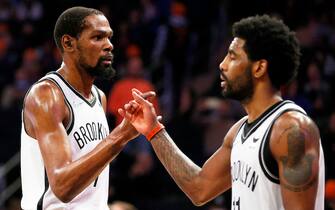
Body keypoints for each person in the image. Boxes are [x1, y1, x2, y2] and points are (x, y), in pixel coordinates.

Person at [119, 15, 325, 210]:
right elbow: (199, 188)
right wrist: (154, 131)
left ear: (259, 68)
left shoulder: (291, 130)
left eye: (233, 57)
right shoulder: (239, 131)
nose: (222, 64)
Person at [20, 6, 154, 210]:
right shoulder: (47, 95)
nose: (109, 45)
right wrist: (121, 136)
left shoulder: (99, 97)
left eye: (109, 37)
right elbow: (62, 187)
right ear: (69, 43)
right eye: (97, 37)